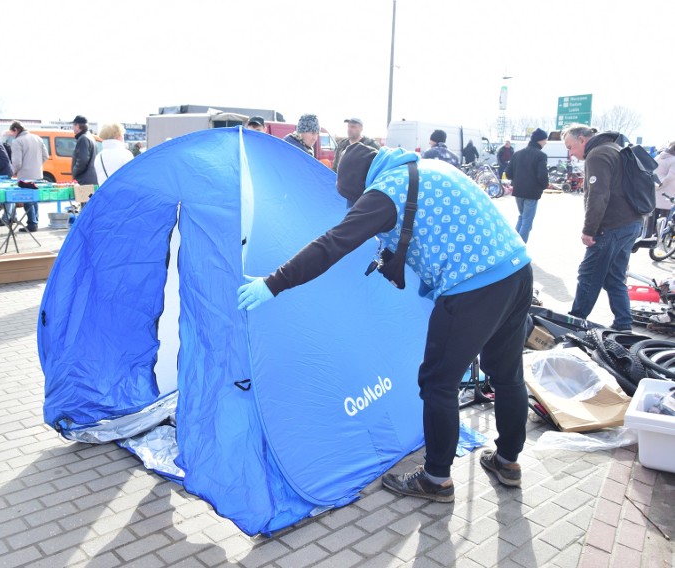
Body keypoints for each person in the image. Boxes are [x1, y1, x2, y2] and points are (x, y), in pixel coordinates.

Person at [237, 142, 533, 502]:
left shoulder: (385, 193)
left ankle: (436, 479)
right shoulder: (428, 168)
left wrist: (274, 283)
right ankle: (508, 462)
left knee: (438, 381)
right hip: (517, 269)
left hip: (473, 286)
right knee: (507, 373)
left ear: (363, 185)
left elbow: (333, 243)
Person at [561, 124, 642, 330]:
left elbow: (598, 195)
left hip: (611, 227)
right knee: (614, 277)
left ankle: (575, 322)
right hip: (631, 222)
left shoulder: (597, 154)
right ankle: (623, 324)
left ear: (582, 139)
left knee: (588, 275)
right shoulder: (614, 147)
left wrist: (589, 230)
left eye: (571, 147)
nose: (570, 153)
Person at [505, 128, 549, 242]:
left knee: (522, 217)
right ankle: (520, 249)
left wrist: (518, 180)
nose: (546, 142)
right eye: (545, 140)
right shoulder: (541, 155)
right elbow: (542, 176)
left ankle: (513, 243)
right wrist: (545, 185)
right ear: (540, 140)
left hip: (518, 191)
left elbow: (508, 173)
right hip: (532, 193)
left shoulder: (517, 154)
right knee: (527, 222)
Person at [9, 120, 48, 232]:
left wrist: (13, 172)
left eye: (12, 133)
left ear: (16, 130)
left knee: (27, 199)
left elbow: (17, 163)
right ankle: (35, 221)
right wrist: (36, 165)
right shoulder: (38, 138)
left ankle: (32, 223)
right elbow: (46, 156)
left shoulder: (18, 141)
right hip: (38, 174)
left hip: (25, 174)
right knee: (34, 199)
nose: (12, 135)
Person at [94, 122, 134, 187]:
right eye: (122, 135)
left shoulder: (98, 156)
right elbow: (131, 178)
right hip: (122, 194)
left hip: (105, 195)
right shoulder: (126, 154)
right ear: (118, 136)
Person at [71, 115, 98, 186]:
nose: (72, 128)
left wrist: (74, 172)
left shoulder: (83, 138)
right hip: (89, 179)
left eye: (73, 125)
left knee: (84, 197)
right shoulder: (89, 136)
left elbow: (82, 161)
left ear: (77, 126)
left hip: (84, 181)